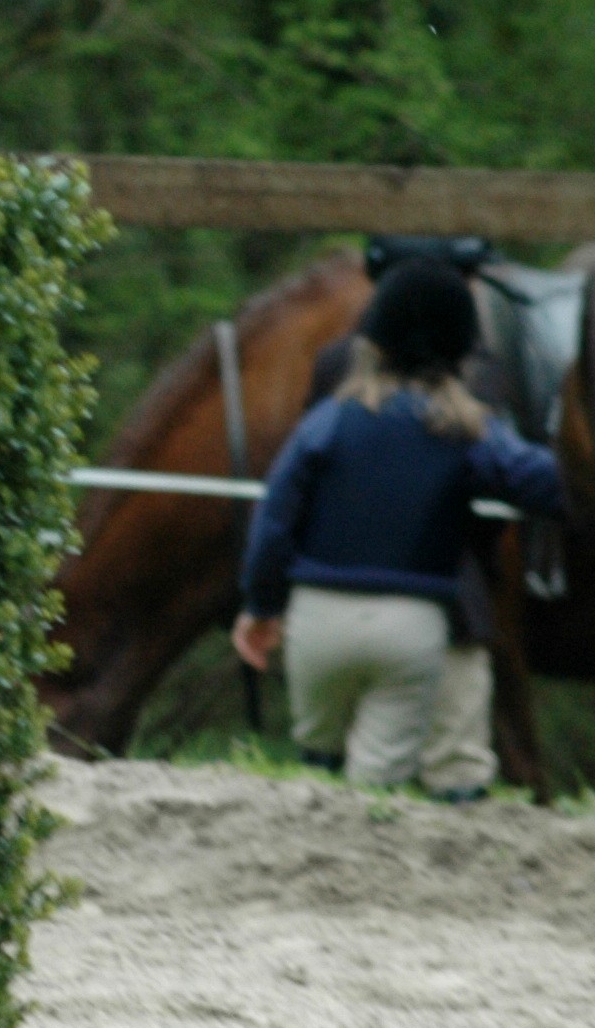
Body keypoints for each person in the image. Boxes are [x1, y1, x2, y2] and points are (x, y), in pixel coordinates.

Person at [232, 258, 563, 795]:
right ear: (462, 349)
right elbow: (542, 483)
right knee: (376, 782)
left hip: (316, 621)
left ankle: (315, 802)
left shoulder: (327, 421)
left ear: (372, 340)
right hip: (412, 625)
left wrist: (261, 604)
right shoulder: (467, 430)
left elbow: (274, 520)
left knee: (318, 760)